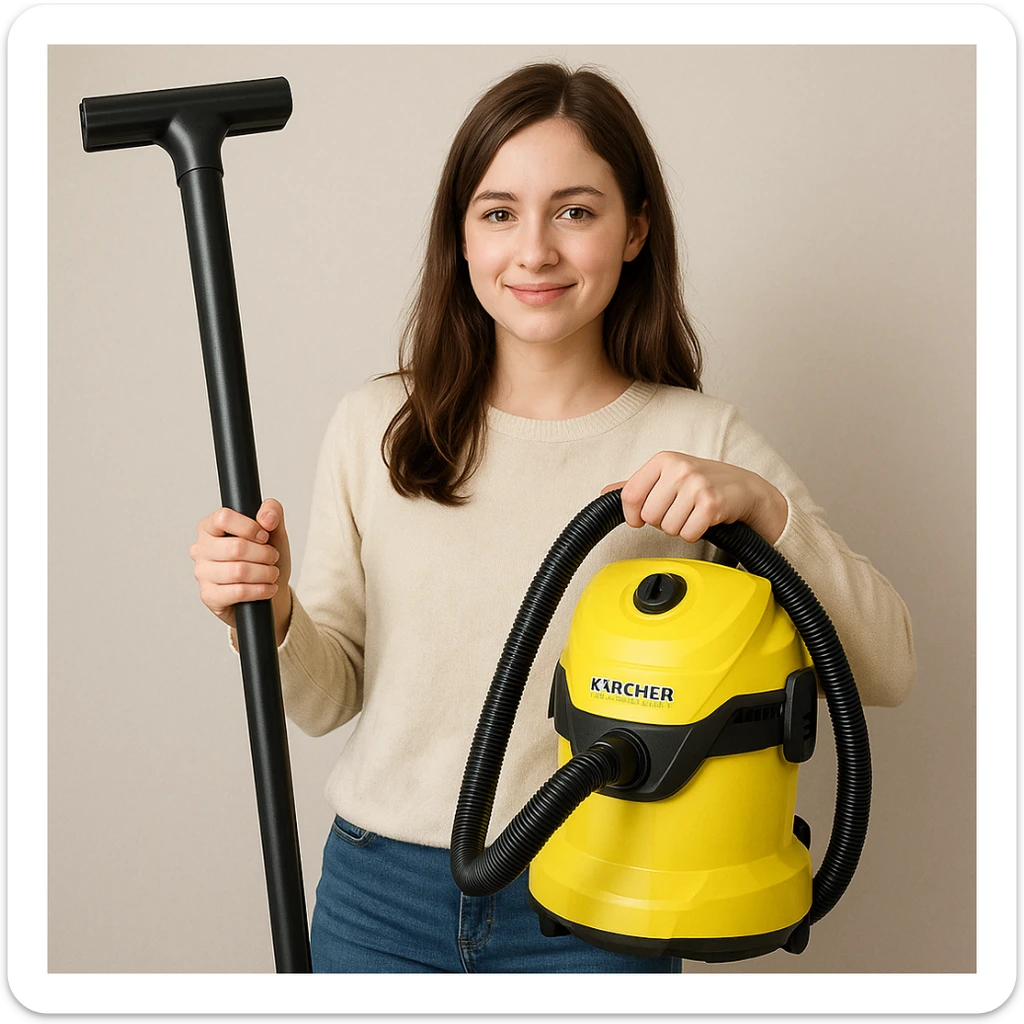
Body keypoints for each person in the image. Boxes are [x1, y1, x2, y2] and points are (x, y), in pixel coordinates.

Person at [188, 61, 916, 974]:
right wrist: (269, 612)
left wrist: (765, 510)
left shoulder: (698, 438)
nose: (534, 251)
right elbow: (330, 696)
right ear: (460, 236)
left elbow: (886, 665)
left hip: (601, 903)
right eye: (498, 213)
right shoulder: (378, 426)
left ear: (635, 228)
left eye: (575, 211)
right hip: (377, 901)